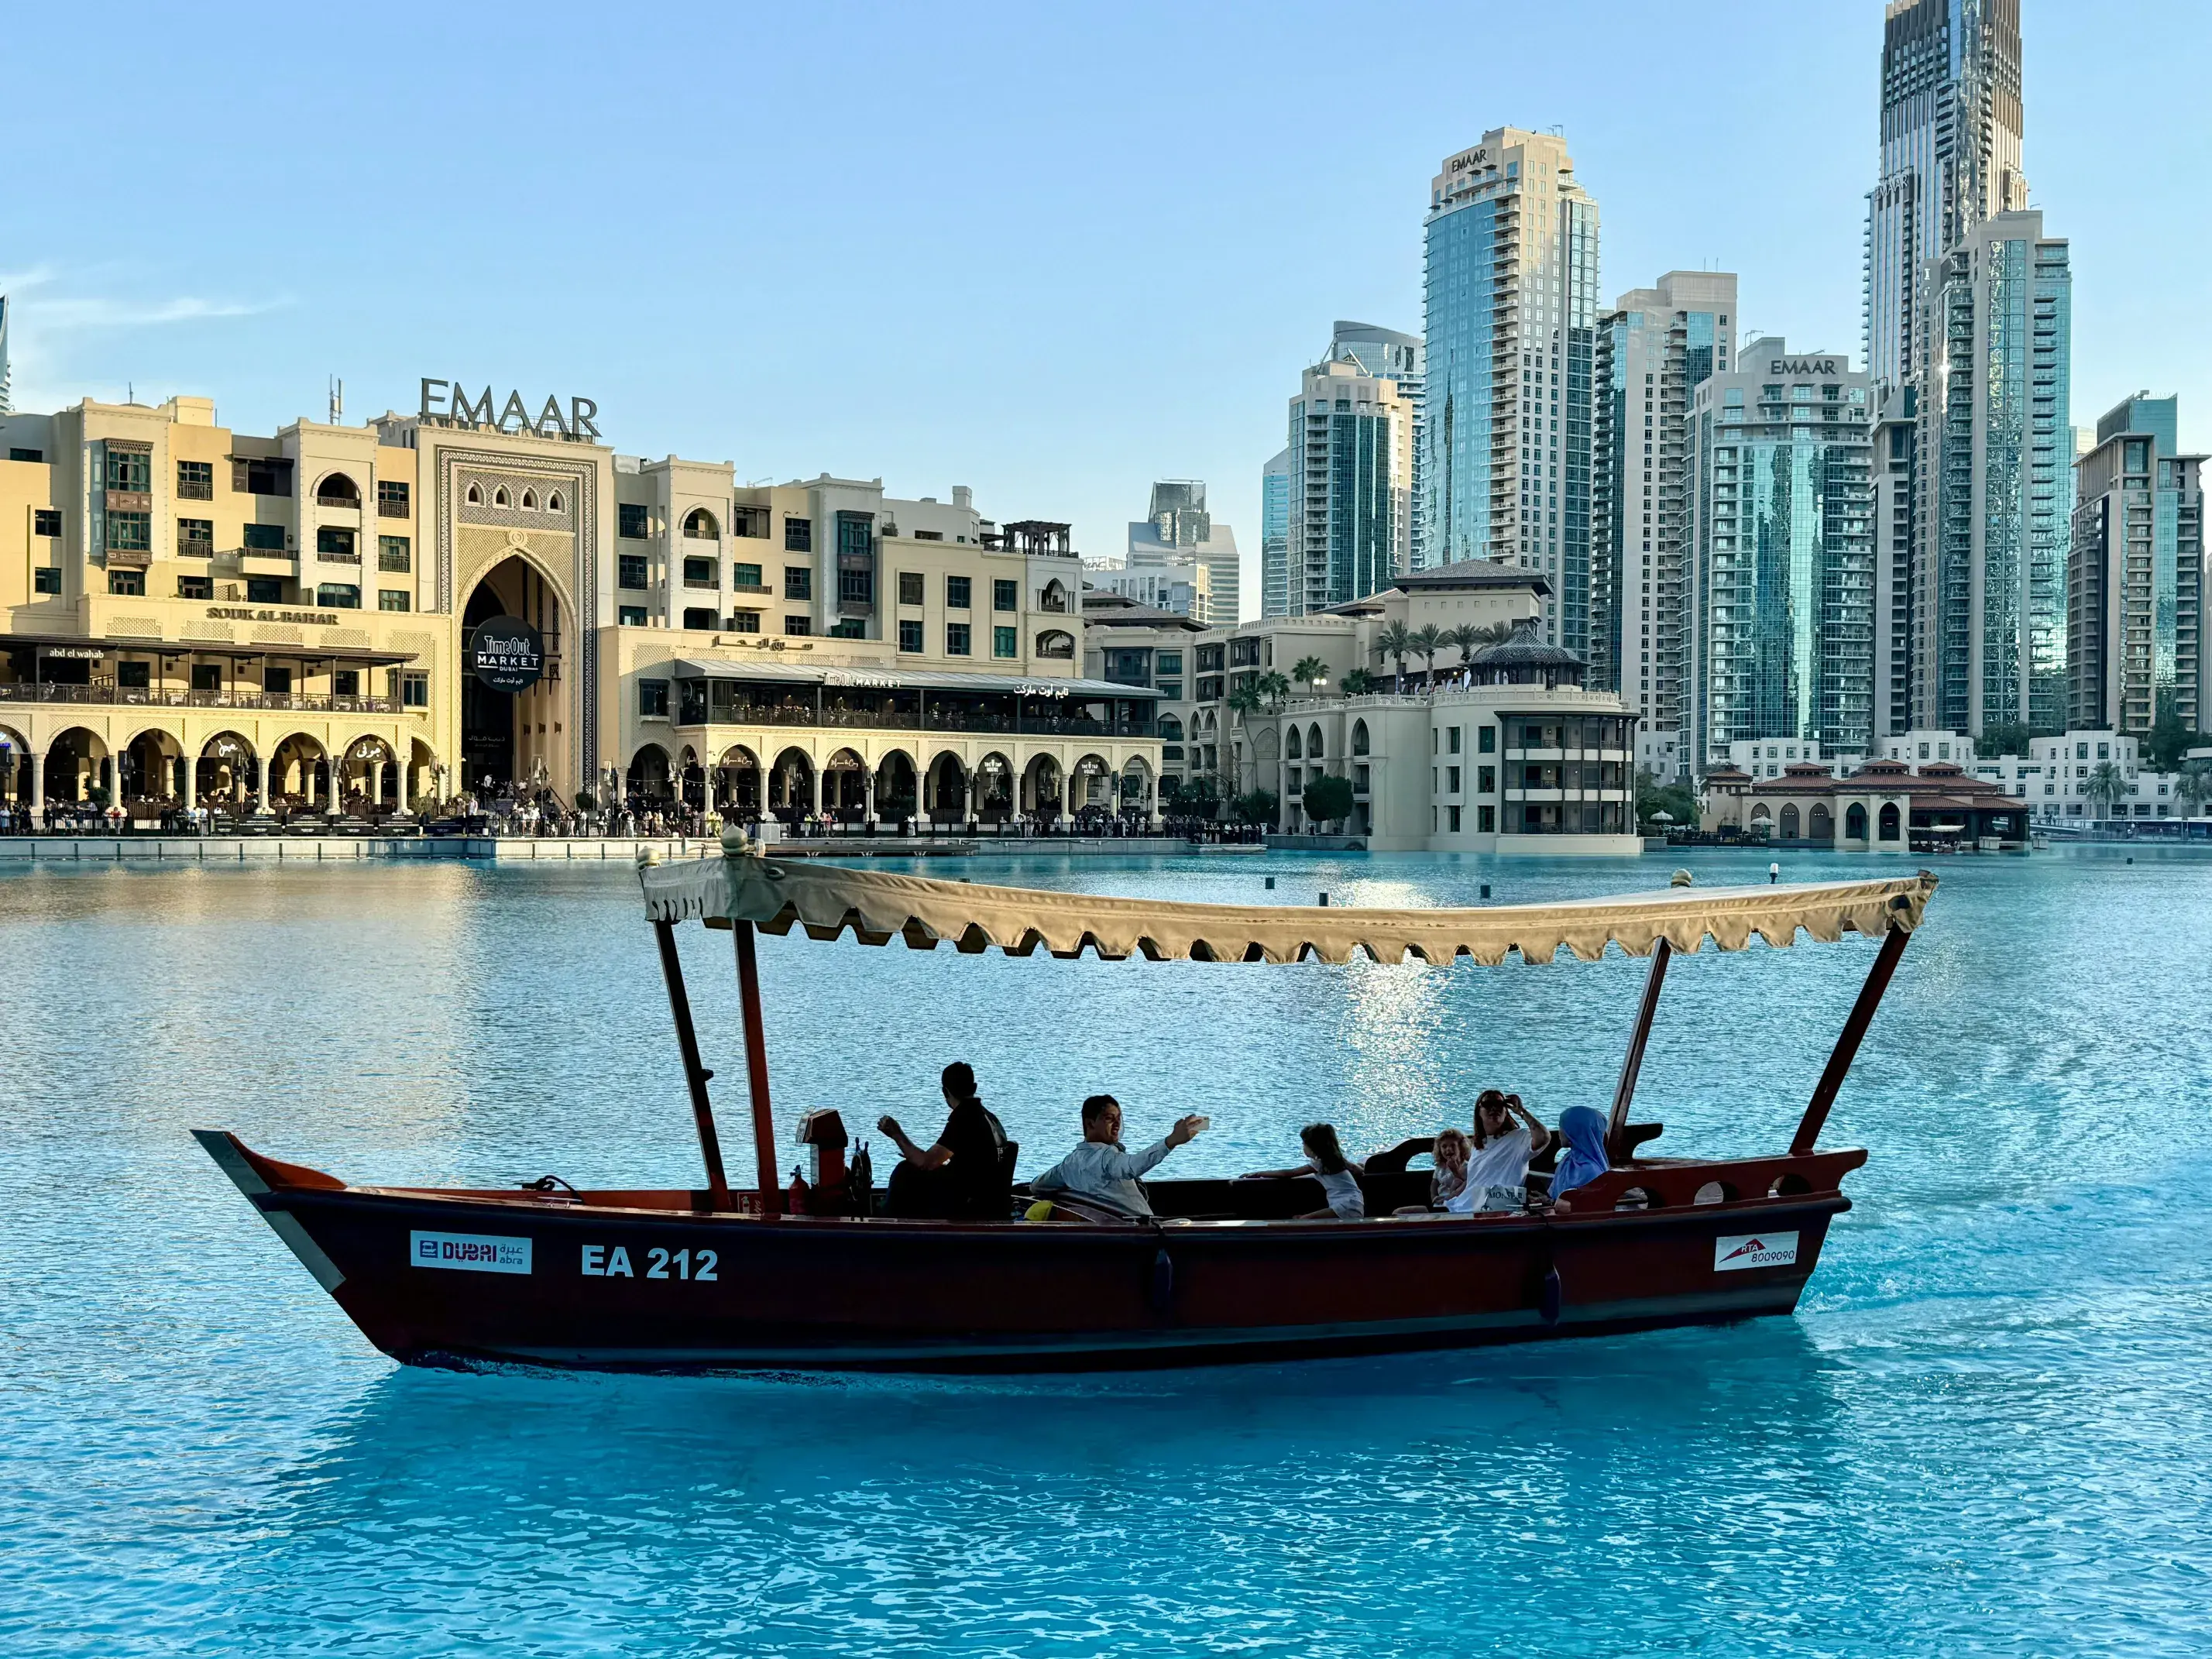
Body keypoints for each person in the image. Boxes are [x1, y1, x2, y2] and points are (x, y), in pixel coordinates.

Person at [1028, 1094, 1206, 1219]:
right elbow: (1132, 1166)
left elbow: (1037, 1186)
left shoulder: (1068, 1165)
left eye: (1119, 1118)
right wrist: (1171, 1141)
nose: (1117, 1124)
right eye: (1109, 1119)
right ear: (1090, 1123)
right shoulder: (1105, 1158)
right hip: (1142, 1234)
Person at [878, 1061, 1011, 1220]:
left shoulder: (965, 1119)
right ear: (974, 1088)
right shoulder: (989, 1118)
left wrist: (896, 1134)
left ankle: (887, 1224)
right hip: (987, 1196)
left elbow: (927, 1162)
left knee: (904, 1171)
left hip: (968, 1201)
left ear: (945, 1092)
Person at [1453, 1090, 1552, 1213]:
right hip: (1471, 1203)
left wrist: (1522, 1111)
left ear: (1506, 1111)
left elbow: (1544, 1137)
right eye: (1488, 1104)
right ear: (1479, 1111)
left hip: (1496, 1207)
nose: (1494, 1108)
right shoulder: (1478, 1145)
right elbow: (1477, 1179)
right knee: (1423, 1211)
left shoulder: (1519, 1137)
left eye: (1500, 1104)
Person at [1245, 1123, 1365, 1219]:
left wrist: (1259, 1173)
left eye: (1304, 1144)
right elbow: (1359, 1170)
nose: (1303, 1147)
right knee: (1304, 1218)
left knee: (1304, 1220)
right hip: (1355, 1202)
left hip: (1345, 1206)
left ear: (1313, 1148)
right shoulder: (1339, 1160)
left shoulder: (1319, 1164)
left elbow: (1288, 1173)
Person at [1393, 1126, 1471, 1217]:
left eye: (1453, 1145)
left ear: (1461, 1147)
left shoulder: (1466, 1166)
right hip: (1438, 1206)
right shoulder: (1440, 1167)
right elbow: (1434, 1183)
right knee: (1398, 1213)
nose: (1448, 1149)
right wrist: (1434, 1198)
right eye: (1444, 1146)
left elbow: (1465, 1187)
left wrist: (1447, 1198)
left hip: (1453, 1208)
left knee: (1400, 1213)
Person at [1547, 1105, 1611, 1210]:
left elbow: (1586, 1207)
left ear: (1575, 1131)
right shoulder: (1568, 1159)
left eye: (1562, 1127)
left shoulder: (1590, 1170)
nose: (1559, 1132)